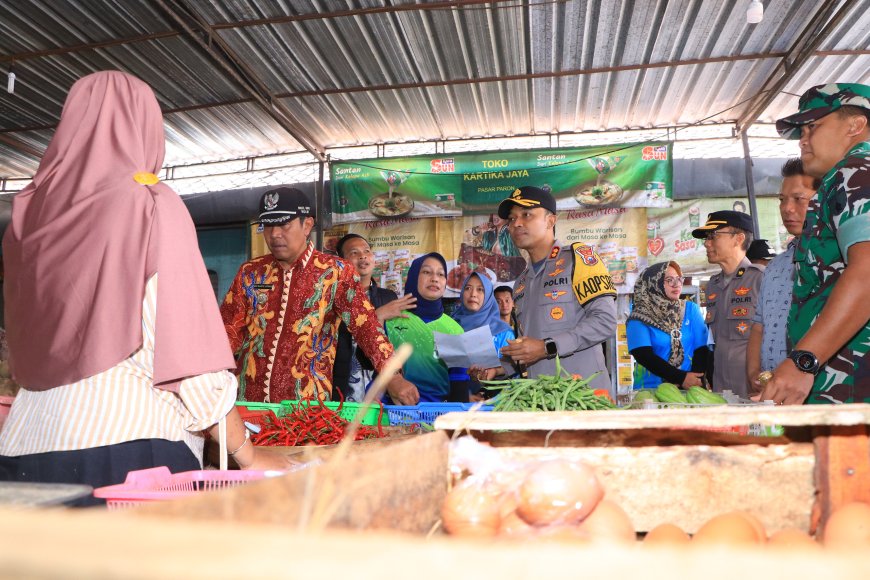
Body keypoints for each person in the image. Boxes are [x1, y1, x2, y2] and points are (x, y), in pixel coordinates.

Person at [0, 71, 289, 500]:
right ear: (145, 127)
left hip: (22, 451)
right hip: (127, 454)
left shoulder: (27, 219)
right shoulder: (149, 203)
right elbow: (188, 356)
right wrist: (246, 452)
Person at [220, 188, 418, 406]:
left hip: (306, 408)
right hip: (248, 405)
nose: (274, 233)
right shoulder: (251, 272)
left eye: (284, 224)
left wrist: (392, 375)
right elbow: (227, 332)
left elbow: (366, 326)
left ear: (307, 225)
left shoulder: (335, 272)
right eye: (268, 225)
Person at [760, 83, 870, 405]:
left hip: (852, 389)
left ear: (855, 125)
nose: (803, 140)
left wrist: (803, 361)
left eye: (813, 126)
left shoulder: (855, 173)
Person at [497, 186, 617, 391]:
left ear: (550, 221)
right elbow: (527, 347)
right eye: (511, 218)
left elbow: (605, 321)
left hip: (583, 400)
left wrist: (547, 347)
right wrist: (497, 369)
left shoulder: (579, 259)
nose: (516, 223)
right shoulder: (521, 283)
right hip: (540, 402)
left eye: (526, 215)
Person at [746, 159, 819, 395]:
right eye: (782, 199)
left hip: (818, 389)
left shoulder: (836, 262)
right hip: (774, 392)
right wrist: (753, 371)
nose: (787, 208)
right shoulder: (775, 266)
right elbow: (759, 325)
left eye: (798, 199)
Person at [332, 233, 416, 401]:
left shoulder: (388, 297)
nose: (362, 256)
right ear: (341, 262)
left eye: (366, 251)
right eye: (354, 253)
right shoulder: (333, 297)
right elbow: (336, 336)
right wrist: (378, 315)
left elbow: (394, 339)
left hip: (380, 382)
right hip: (342, 381)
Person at [691, 210, 764, 398]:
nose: (707, 243)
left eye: (713, 236)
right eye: (706, 238)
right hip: (721, 389)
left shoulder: (761, 279)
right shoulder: (713, 285)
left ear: (738, 239)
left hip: (754, 388)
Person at [385, 253, 465, 402]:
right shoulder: (390, 319)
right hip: (388, 409)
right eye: (427, 272)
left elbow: (458, 380)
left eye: (441, 274)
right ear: (414, 276)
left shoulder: (454, 330)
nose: (435, 278)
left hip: (435, 413)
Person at [626, 262, 709, 389]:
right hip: (651, 389)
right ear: (653, 283)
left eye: (678, 279)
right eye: (669, 280)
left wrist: (694, 380)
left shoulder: (690, 309)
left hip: (689, 388)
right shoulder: (638, 317)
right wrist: (680, 378)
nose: (676, 284)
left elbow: (701, 349)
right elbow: (644, 355)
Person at [452, 272, 516, 391]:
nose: (473, 294)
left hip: (496, 402)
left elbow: (513, 370)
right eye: (468, 288)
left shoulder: (504, 332)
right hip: (455, 401)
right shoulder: (451, 326)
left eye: (480, 289)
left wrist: (494, 372)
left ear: (488, 296)